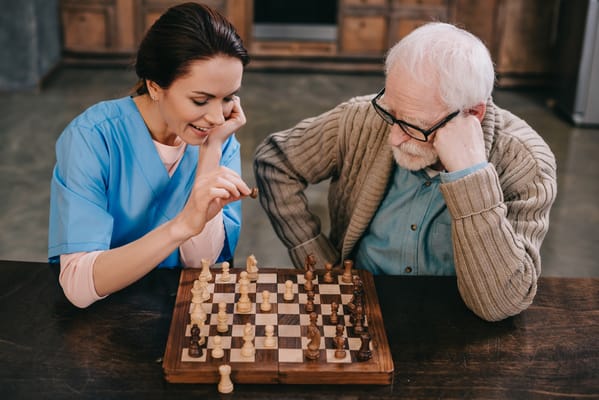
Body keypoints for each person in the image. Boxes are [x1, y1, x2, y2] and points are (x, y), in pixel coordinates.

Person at [253, 22, 557, 321]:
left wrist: (470, 175)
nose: (395, 137)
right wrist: (314, 256)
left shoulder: (525, 162)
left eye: (413, 126)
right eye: (392, 113)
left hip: (458, 327)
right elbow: (275, 161)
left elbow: (499, 305)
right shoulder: (362, 119)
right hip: (359, 311)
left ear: (472, 114)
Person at [48, 3, 252, 308]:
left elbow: (202, 264)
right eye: (200, 100)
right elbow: (79, 286)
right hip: (104, 317)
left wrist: (210, 154)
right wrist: (183, 224)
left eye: (227, 98)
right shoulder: (92, 137)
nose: (217, 118)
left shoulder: (219, 138)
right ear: (155, 86)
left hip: (179, 312)